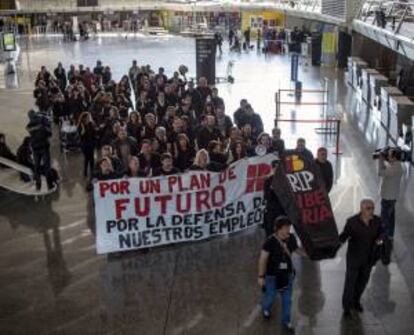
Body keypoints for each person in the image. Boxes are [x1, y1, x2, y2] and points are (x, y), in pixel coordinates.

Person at [258, 216, 305, 332]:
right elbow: (263, 259)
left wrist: (308, 254)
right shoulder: (270, 242)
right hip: (272, 276)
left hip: (287, 275)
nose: (288, 230)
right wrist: (260, 276)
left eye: (289, 227)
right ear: (278, 229)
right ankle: (266, 308)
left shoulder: (292, 238)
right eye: (285, 227)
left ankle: (286, 321)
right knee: (270, 296)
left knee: (287, 300)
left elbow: (296, 250)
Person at [339, 198, 384, 318]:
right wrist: (333, 245)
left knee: (362, 283)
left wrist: (380, 240)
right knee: (350, 283)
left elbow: (382, 234)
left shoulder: (377, 221)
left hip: (369, 258)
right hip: (354, 258)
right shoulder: (352, 222)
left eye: (372, 208)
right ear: (362, 209)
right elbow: (343, 237)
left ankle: (356, 301)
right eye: (368, 208)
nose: (371, 211)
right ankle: (347, 308)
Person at [378, 149, 404, 239]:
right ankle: (390, 235)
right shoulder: (397, 165)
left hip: (388, 197)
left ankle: (383, 236)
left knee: (384, 217)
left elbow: (380, 172)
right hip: (392, 196)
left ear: (394, 158)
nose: (388, 157)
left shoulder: (394, 168)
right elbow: (388, 167)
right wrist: (384, 161)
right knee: (391, 217)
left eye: (389, 156)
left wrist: (380, 161)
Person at [26, 110, 54, 190]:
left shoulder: (29, 125)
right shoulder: (42, 120)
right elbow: (49, 133)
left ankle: (38, 185)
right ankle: (50, 185)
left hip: (35, 147)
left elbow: (29, 131)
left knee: (37, 167)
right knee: (47, 166)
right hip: (44, 146)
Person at [263, 161, 286, 237]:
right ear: (272, 168)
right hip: (272, 208)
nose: (276, 169)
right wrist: (271, 189)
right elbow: (266, 196)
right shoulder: (268, 180)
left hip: (283, 208)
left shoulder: (285, 179)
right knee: (271, 227)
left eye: (278, 167)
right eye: (275, 167)